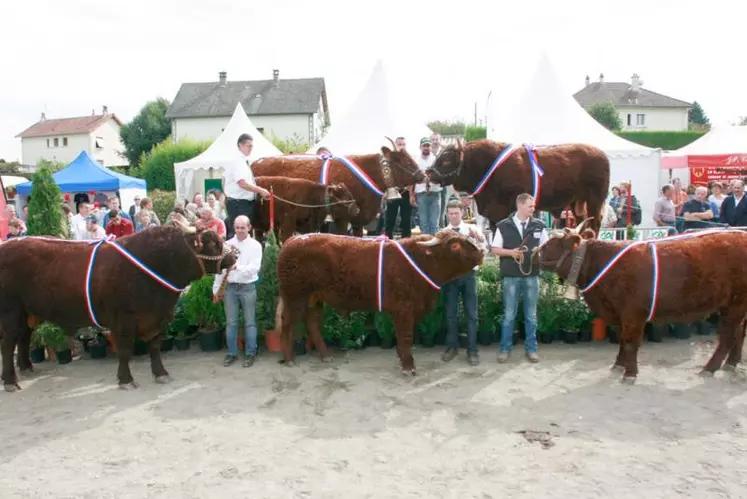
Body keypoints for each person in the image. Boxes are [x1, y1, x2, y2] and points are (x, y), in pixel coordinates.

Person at [491, 193, 548, 363]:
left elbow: (546, 246)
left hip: (532, 276)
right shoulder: (503, 225)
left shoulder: (539, 225)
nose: (533, 208)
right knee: (509, 314)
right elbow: (494, 248)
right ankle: (504, 349)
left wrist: (540, 251)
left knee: (531, 315)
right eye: (530, 206)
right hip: (511, 276)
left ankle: (531, 349)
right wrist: (511, 253)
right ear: (521, 206)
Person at [212, 215, 263, 367]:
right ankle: (231, 353)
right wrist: (216, 289)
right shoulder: (226, 245)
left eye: (243, 227)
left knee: (250, 323)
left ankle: (250, 353)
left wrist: (237, 267)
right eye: (237, 227)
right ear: (234, 228)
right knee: (231, 323)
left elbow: (255, 269)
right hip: (230, 288)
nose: (240, 230)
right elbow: (220, 271)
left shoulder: (256, 246)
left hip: (248, 287)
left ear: (249, 228)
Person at [441, 200, 485, 366]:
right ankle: (452, 347)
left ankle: (472, 350)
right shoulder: (443, 233)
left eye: (456, 213)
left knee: (471, 315)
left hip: (469, 276)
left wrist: (479, 239)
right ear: (447, 214)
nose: (453, 216)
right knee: (451, 314)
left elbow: (483, 250)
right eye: (450, 213)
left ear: (462, 213)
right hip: (451, 278)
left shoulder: (472, 230)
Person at [223, 133, 271, 238]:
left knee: (243, 234)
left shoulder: (241, 160)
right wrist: (260, 190)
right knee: (239, 234)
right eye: (249, 146)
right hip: (239, 204)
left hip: (239, 203)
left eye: (252, 146)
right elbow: (242, 183)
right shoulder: (237, 161)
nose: (251, 148)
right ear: (240, 145)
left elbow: (223, 180)